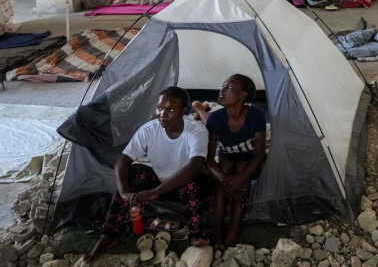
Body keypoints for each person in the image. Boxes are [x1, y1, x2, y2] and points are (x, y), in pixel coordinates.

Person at [83, 87, 209, 263]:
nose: (162, 114)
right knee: (135, 172)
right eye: (159, 108)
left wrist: (156, 191)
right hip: (159, 181)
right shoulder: (149, 130)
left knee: (189, 184)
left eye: (170, 109)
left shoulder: (196, 131)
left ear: (183, 111)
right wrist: (125, 192)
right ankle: (110, 233)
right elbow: (123, 161)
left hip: (186, 184)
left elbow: (194, 168)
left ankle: (196, 234)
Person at [192, 75, 267, 249]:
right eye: (223, 86)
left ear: (243, 95)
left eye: (230, 87)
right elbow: (209, 160)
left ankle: (234, 227)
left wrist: (240, 179)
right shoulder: (216, 119)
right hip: (228, 164)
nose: (222, 89)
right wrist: (227, 183)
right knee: (224, 166)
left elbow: (260, 154)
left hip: (249, 166)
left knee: (241, 166)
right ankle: (217, 227)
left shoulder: (256, 116)